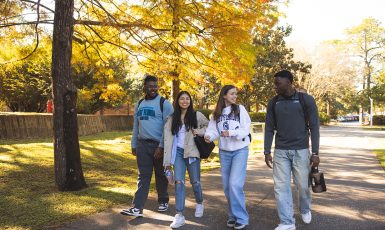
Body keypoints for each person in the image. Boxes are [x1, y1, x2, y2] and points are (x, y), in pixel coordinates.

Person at [264, 70, 320, 230]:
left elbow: (314, 127)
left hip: (301, 151)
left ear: (289, 82)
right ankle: (287, 222)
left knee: (302, 186)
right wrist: (267, 151)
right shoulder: (274, 102)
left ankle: (304, 208)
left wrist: (315, 153)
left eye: (278, 83)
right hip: (281, 151)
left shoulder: (305, 100)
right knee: (281, 187)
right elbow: (269, 128)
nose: (275, 86)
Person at [120, 74, 173, 217]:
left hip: (159, 145)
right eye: (150, 86)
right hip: (142, 145)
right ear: (144, 87)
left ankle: (163, 200)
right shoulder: (139, 104)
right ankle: (137, 208)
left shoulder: (164, 104)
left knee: (161, 175)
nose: (153, 89)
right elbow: (136, 126)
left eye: (155, 86)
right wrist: (134, 144)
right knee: (143, 176)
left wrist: (161, 147)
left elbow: (169, 128)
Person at [204, 85, 251, 230]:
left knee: (235, 184)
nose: (235, 96)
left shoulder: (239, 109)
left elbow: (245, 129)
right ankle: (232, 215)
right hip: (224, 152)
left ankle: (242, 218)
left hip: (239, 150)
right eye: (232, 94)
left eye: (235, 94)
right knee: (226, 187)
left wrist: (230, 132)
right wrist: (208, 136)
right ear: (224, 95)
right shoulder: (216, 114)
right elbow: (212, 130)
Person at [163, 91, 209, 228]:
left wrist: (198, 132)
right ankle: (179, 214)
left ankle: (200, 203)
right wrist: (167, 162)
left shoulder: (197, 115)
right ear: (177, 101)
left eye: (187, 99)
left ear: (190, 101)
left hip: (192, 152)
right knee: (179, 182)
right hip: (177, 153)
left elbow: (209, 127)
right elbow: (167, 140)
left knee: (195, 182)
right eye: (182, 99)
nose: (184, 101)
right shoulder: (172, 118)